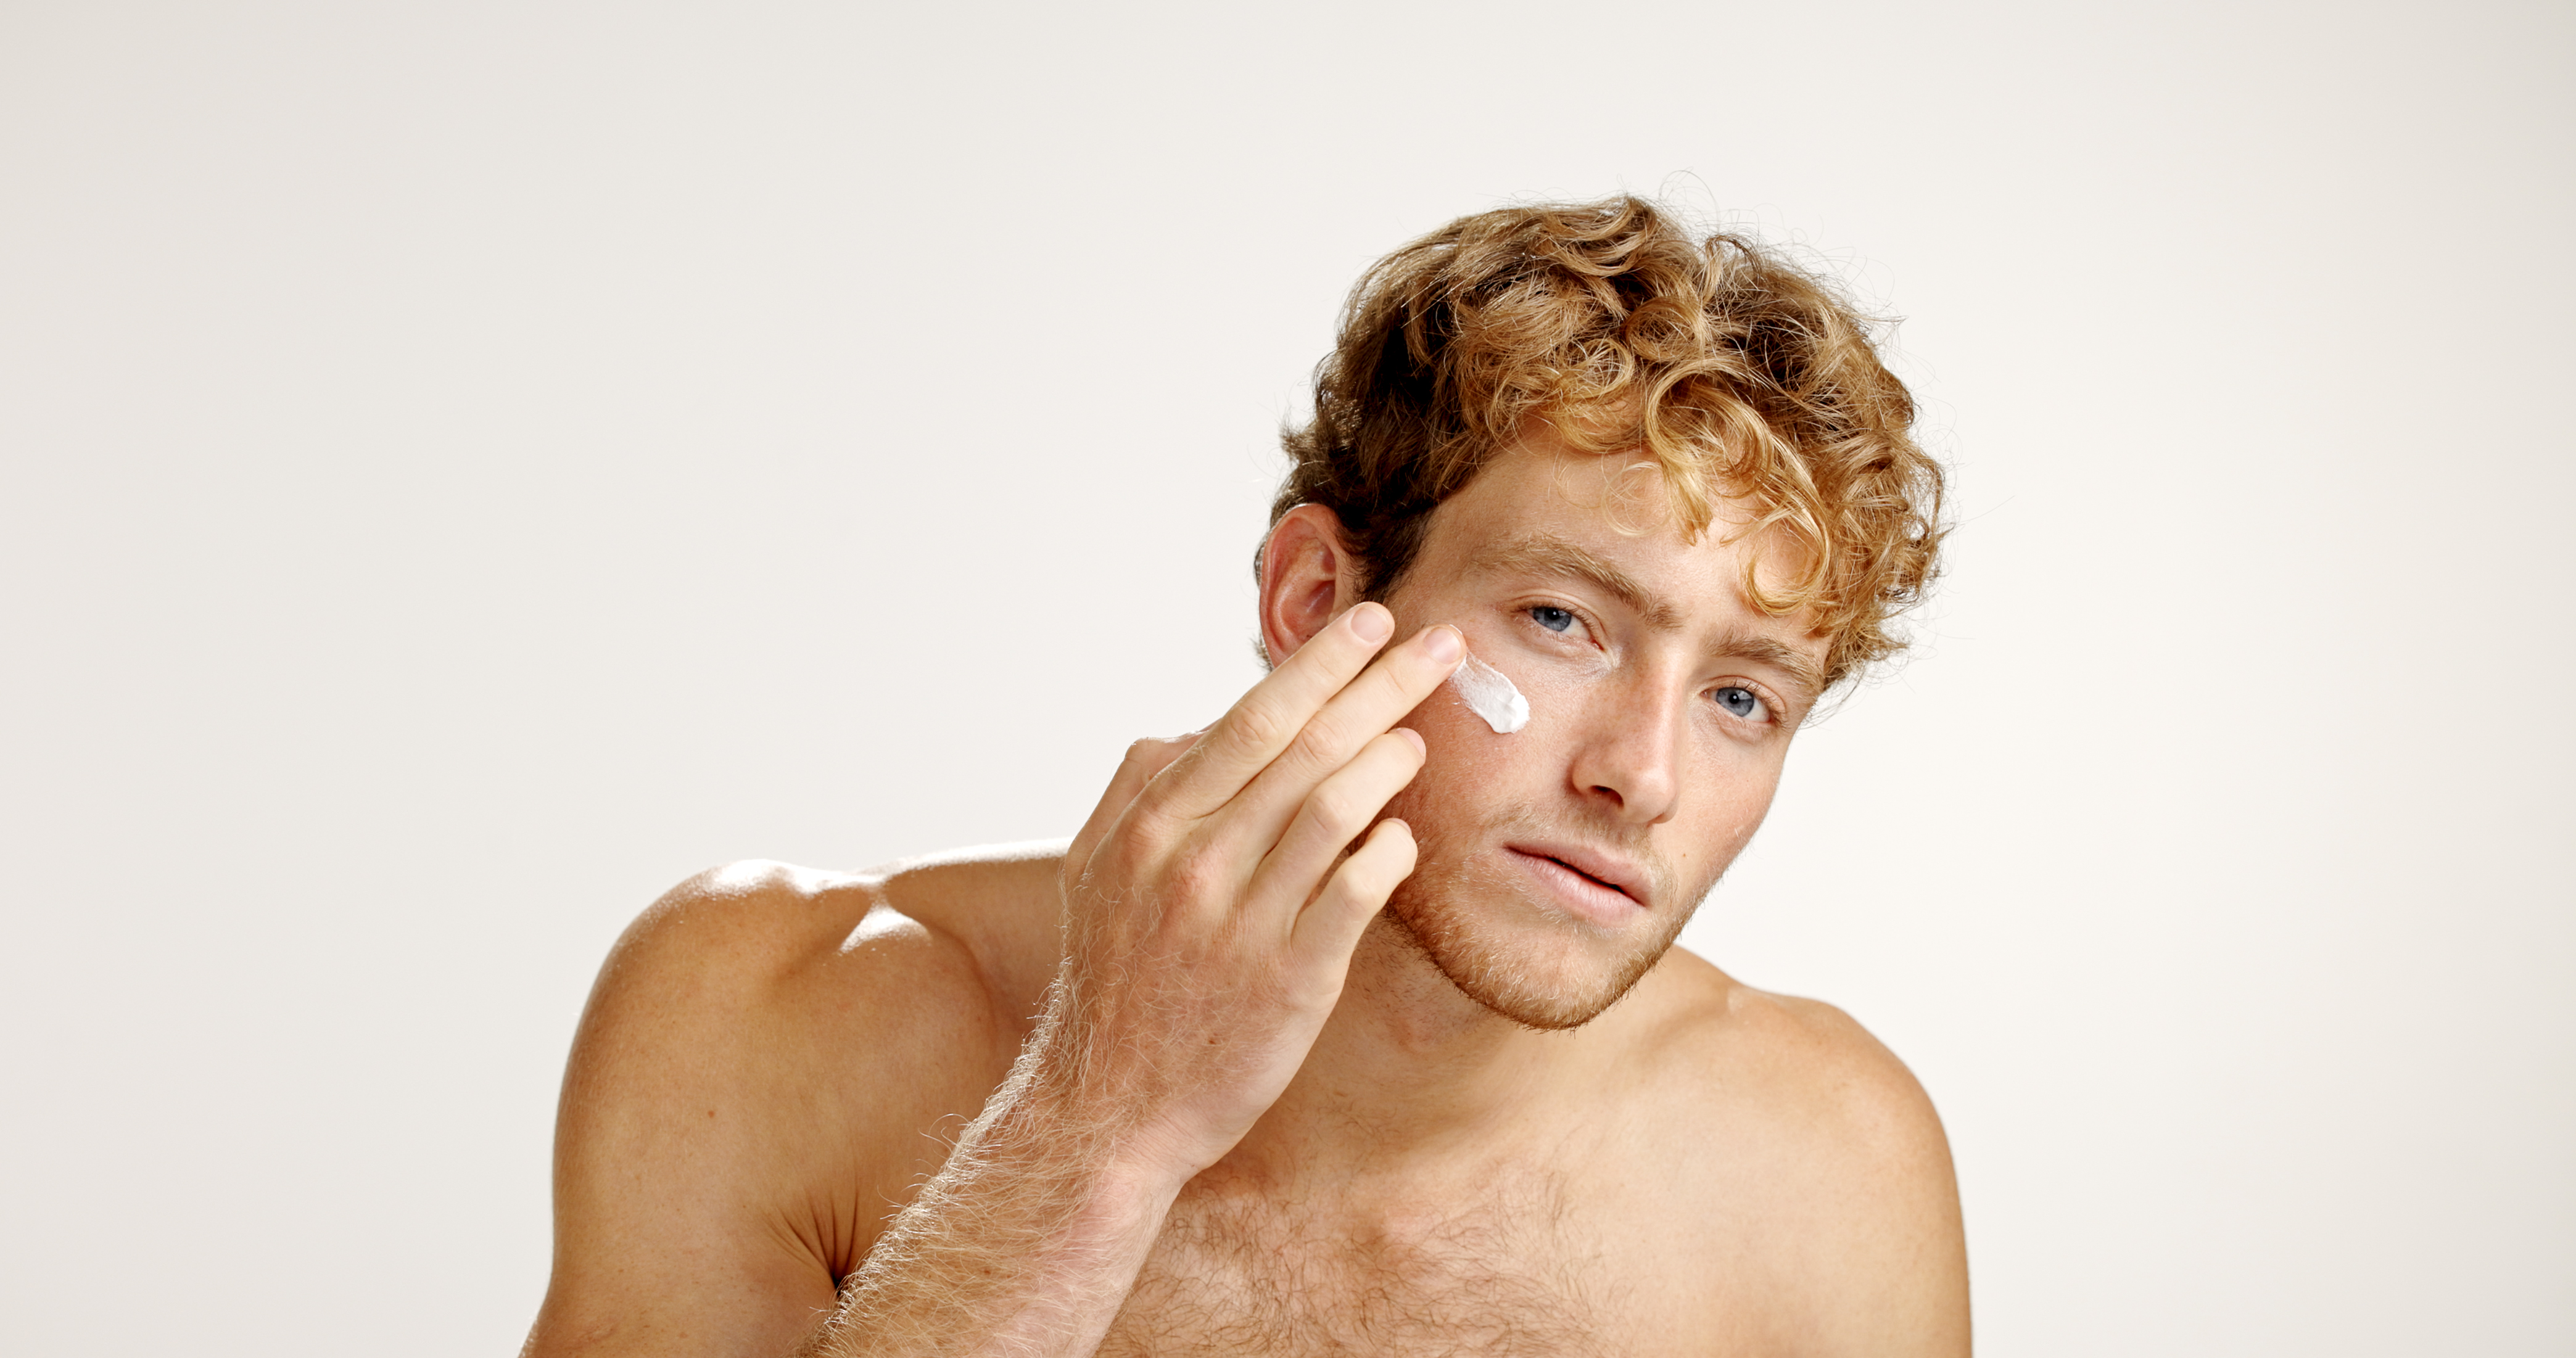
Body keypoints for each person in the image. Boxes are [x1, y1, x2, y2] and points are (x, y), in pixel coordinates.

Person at [522, 195, 1968, 1357]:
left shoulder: (1826, 1171)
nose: (1642, 777)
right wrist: (1098, 1121)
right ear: (1316, 597)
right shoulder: (772, 1015)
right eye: (1564, 622)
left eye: (1739, 697)